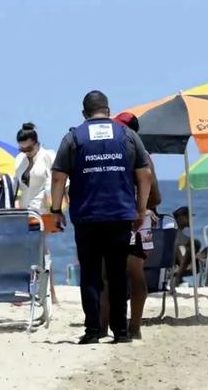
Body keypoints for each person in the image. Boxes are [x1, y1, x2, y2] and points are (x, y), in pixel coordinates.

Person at [50, 90, 152, 344]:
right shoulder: (127, 135)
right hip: (120, 215)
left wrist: (55, 210)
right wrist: (140, 210)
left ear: (84, 113)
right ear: (108, 111)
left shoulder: (73, 137)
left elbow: (58, 176)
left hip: (87, 217)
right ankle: (121, 331)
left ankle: (94, 331)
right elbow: (145, 175)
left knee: (91, 274)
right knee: (117, 273)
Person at [98, 111, 161, 339]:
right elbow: (157, 197)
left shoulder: (111, 152)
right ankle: (135, 328)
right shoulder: (145, 155)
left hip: (114, 216)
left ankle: (104, 326)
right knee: (136, 274)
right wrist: (143, 207)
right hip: (139, 217)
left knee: (107, 275)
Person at [14, 122, 60, 304]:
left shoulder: (48, 156)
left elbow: (56, 182)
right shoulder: (19, 159)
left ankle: (48, 292)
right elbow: (16, 185)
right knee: (33, 250)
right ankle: (45, 292)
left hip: (43, 210)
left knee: (39, 249)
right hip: (24, 209)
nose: (26, 151)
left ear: (36, 143)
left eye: (29, 148)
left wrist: (56, 209)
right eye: (22, 148)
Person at [172, 206, 202, 286]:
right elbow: (178, 244)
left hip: (172, 261)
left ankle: (179, 277)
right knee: (194, 244)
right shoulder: (176, 233)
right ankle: (178, 277)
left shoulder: (172, 230)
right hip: (174, 262)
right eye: (188, 217)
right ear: (181, 218)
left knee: (193, 244)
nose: (191, 220)